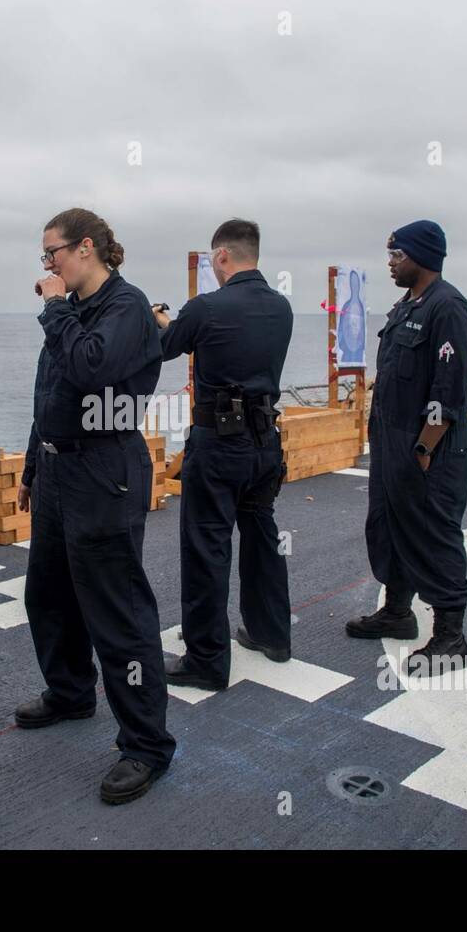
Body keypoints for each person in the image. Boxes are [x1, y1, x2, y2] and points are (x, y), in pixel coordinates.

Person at [15, 208, 176, 804]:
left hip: (105, 469)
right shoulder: (75, 313)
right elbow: (49, 395)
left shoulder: (125, 308)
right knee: (48, 592)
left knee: (117, 610)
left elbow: (92, 370)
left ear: (86, 248)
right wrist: (34, 465)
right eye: (45, 259)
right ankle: (71, 691)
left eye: (52, 253)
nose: (48, 266)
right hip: (59, 467)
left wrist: (55, 307)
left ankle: (147, 744)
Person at [153, 219, 294, 690]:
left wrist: (159, 321)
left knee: (206, 548)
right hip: (265, 442)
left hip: (219, 444)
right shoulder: (282, 308)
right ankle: (272, 634)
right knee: (261, 537)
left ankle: (207, 661)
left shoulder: (205, 308)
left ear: (221, 257)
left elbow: (165, 347)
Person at [345, 220, 467, 672]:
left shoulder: (448, 308)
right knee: (388, 529)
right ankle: (398, 612)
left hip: (427, 454)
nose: (390, 263)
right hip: (391, 447)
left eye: (397, 255)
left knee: (433, 536)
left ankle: (450, 636)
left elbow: (450, 390)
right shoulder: (405, 306)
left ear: (420, 256)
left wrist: (423, 451)